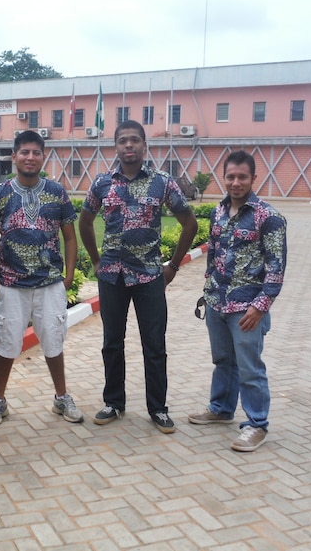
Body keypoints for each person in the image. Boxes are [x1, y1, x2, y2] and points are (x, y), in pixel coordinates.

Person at [79, 119, 198, 433]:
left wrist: (172, 265)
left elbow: (190, 223)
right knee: (111, 343)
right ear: (115, 146)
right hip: (112, 277)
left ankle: (158, 409)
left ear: (145, 146)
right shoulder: (102, 183)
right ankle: (114, 403)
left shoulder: (163, 183)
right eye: (122, 141)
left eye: (134, 140)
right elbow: (85, 221)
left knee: (154, 344)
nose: (128, 145)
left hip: (148, 276)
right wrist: (95, 260)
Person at [0, 129, 83, 426]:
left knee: (54, 341)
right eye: (24, 152)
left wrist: (68, 276)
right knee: (7, 343)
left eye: (35, 152)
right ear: (14, 157)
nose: (30, 157)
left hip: (49, 282)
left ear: (43, 157)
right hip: (11, 284)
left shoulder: (57, 192)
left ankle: (61, 397)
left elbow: (70, 237)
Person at [188, 150, 287, 452]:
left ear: (254, 178)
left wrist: (260, 307)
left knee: (249, 367)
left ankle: (257, 424)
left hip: (246, 308)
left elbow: (276, 268)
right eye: (230, 176)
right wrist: (208, 286)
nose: (235, 182)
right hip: (217, 303)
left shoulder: (269, 218)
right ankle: (221, 408)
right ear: (224, 177)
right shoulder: (218, 212)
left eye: (242, 176)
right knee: (223, 361)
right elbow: (214, 251)